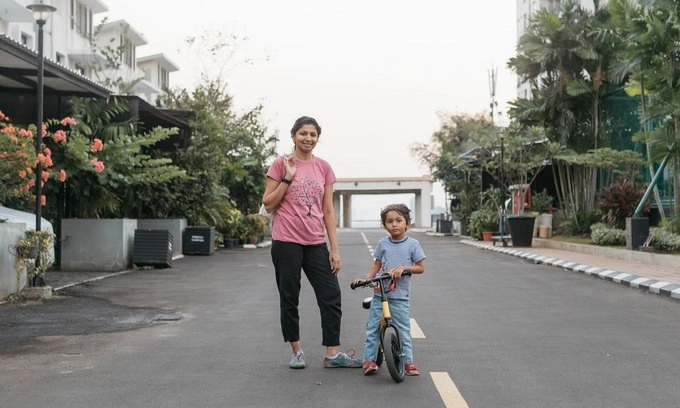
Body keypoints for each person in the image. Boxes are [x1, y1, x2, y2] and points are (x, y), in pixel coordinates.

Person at [262, 116, 362, 369]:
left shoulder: (324, 168)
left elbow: (328, 211)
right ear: (294, 136)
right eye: (303, 133)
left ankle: (333, 353)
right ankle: (296, 351)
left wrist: (335, 249)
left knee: (331, 294)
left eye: (313, 135)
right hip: (286, 241)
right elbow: (268, 203)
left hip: (315, 241)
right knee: (289, 296)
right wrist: (287, 177)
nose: (308, 138)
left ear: (318, 138)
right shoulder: (279, 164)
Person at [353, 204, 426, 376]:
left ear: (407, 223)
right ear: (384, 225)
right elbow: (377, 264)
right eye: (389, 221)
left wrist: (404, 268)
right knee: (372, 328)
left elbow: (421, 267)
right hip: (380, 294)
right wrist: (366, 279)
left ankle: (408, 362)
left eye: (399, 221)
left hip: (400, 296)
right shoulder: (383, 243)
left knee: (403, 329)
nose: (394, 224)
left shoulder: (413, 245)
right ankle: (369, 361)